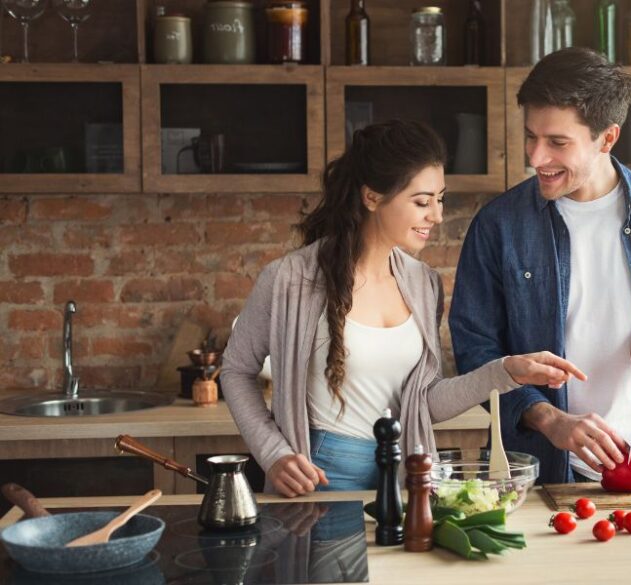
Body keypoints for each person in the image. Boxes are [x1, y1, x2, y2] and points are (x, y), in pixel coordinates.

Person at [221, 120, 585, 497]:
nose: (437, 216)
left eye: (440, 199)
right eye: (422, 202)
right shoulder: (289, 279)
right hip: (321, 476)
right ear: (372, 197)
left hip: (405, 474)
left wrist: (506, 371)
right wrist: (274, 453)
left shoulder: (423, 283)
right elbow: (236, 370)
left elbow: (424, 403)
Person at [449, 48, 631, 485]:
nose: (536, 157)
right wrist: (548, 418)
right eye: (531, 136)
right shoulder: (499, 226)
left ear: (607, 138)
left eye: (557, 142)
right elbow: (475, 351)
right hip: (542, 475)